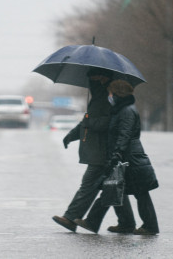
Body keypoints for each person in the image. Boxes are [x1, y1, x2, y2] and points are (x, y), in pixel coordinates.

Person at [74, 79, 159, 235]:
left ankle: (150, 226)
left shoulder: (127, 111)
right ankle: (119, 224)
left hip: (130, 158)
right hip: (128, 156)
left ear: (117, 93)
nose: (109, 96)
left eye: (110, 93)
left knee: (131, 191)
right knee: (113, 188)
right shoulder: (121, 109)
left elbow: (124, 134)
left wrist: (117, 154)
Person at [52, 68, 115, 232]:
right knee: (113, 188)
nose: (90, 81)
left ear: (102, 78)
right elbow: (86, 121)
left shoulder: (106, 99)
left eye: (92, 77)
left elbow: (106, 123)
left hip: (101, 151)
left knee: (88, 186)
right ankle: (127, 221)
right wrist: (71, 136)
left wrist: (89, 123)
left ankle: (70, 218)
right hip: (97, 150)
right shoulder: (97, 97)